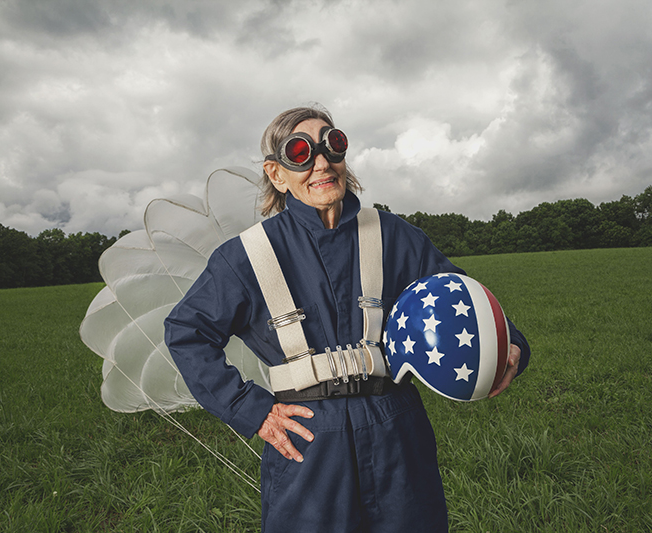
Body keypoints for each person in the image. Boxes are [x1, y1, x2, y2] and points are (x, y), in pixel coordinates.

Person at [164, 105, 531, 532]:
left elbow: (464, 301)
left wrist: (512, 345)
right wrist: (253, 410)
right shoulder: (246, 256)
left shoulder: (395, 236)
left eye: (331, 145)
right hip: (307, 441)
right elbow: (186, 331)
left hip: (396, 428)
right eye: (300, 152)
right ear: (277, 174)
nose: (321, 162)